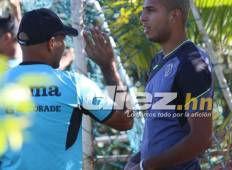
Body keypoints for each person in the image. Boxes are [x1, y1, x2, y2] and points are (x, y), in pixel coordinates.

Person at [85, 0, 214, 169]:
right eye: (143, 11)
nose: (142, 18)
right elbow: (132, 120)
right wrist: (108, 67)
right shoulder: (158, 61)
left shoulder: (191, 63)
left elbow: (201, 140)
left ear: (174, 15)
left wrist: (145, 166)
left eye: (151, 11)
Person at [0, 8, 133, 170]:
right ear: (52, 43)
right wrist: (108, 67)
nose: (64, 46)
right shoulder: (75, 84)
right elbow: (125, 120)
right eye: (63, 40)